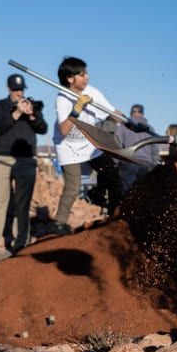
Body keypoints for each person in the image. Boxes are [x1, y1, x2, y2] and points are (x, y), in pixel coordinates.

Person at [51, 57, 124, 234]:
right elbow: (64, 130)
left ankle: (115, 216)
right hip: (67, 147)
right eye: (82, 75)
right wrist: (77, 109)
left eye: (87, 73)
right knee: (73, 186)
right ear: (70, 78)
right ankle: (59, 224)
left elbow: (112, 112)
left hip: (89, 144)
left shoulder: (92, 92)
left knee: (113, 174)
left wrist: (130, 122)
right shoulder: (62, 98)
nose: (87, 77)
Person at [0, 72, 47, 256]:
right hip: (3, 158)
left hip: (26, 160)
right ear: (9, 88)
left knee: (22, 203)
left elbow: (43, 129)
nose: (19, 93)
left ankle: (20, 242)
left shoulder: (31, 105)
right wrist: (17, 112)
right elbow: (0, 126)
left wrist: (32, 115)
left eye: (22, 89)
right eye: (16, 89)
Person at [113, 103, 159, 193]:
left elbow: (116, 144)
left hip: (128, 162)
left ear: (131, 113)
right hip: (145, 164)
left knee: (128, 193)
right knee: (143, 193)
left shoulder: (123, 127)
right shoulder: (150, 129)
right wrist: (154, 164)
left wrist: (116, 161)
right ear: (142, 114)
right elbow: (155, 148)